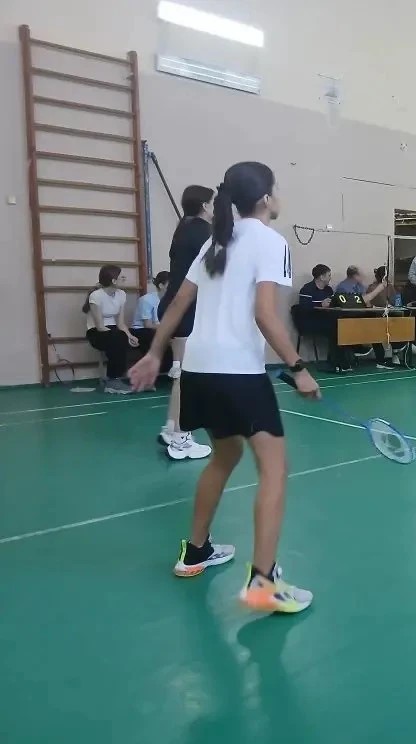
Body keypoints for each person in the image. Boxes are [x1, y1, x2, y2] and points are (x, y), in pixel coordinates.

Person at [128, 160, 317, 614]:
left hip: (199, 369)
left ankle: (196, 552)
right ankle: (264, 582)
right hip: (238, 373)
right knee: (275, 469)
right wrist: (298, 366)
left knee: (225, 455)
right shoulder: (270, 241)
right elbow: (265, 314)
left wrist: (155, 351)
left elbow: (178, 300)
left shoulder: (217, 240)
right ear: (266, 198)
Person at [158, 184, 215, 460]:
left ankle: (171, 428)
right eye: (213, 203)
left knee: (180, 371)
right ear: (204, 205)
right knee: (186, 375)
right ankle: (181, 439)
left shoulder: (183, 228)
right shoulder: (204, 232)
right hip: (186, 308)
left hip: (172, 306)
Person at [83, 265, 138, 394]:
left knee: (128, 337)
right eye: (121, 277)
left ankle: (125, 378)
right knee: (118, 338)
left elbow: (121, 323)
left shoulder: (121, 295)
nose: (124, 279)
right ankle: (113, 379)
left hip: (113, 330)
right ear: (113, 280)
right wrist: (121, 335)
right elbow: (100, 326)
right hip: (96, 332)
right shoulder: (96, 296)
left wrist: (130, 336)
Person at [131, 271, 171, 357]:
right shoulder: (147, 300)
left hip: (158, 328)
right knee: (154, 336)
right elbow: (148, 325)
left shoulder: (170, 300)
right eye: (170, 284)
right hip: (141, 330)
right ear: (161, 285)